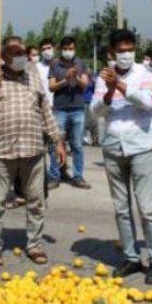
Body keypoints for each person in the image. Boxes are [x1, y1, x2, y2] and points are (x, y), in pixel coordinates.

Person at [0, 42, 66, 266]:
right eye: (16, 54)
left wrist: (58, 141)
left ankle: (35, 245)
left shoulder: (32, 76)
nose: (21, 57)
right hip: (2, 151)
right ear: (4, 57)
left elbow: (45, 110)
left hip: (32, 150)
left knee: (36, 201)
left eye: (23, 53)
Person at [92, 29, 152, 284]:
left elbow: (147, 103)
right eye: (121, 50)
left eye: (129, 49)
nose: (126, 54)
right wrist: (110, 91)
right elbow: (96, 111)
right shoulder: (104, 77)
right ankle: (131, 257)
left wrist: (121, 85)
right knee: (121, 208)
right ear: (112, 52)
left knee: (147, 208)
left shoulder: (145, 73)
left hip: (141, 146)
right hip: (113, 146)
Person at [48, 36, 92, 189]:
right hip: (60, 109)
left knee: (77, 144)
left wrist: (77, 78)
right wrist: (65, 80)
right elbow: (51, 87)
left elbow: (85, 85)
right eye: (65, 49)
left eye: (71, 48)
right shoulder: (55, 64)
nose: (68, 51)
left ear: (75, 48)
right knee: (56, 143)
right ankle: (55, 176)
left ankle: (78, 176)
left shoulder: (81, 63)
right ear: (61, 49)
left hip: (78, 109)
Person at [37, 38, 61, 188]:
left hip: (56, 108)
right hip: (41, 109)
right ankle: (42, 175)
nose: (47, 51)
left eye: (49, 47)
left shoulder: (59, 66)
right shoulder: (36, 67)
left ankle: (55, 174)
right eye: (44, 48)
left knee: (55, 144)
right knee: (40, 145)